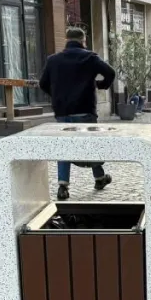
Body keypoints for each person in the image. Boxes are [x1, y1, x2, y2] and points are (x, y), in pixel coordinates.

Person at [39, 27, 116, 201]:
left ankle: (63, 186)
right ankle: (99, 178)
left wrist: (57, 96)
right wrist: (101, 85)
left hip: (62, 112)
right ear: (83, 41)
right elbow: (110, 73)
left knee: (64, 146)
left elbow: (43, 83)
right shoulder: (90, 58)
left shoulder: (53, 60)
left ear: (66, 40)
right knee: (91, 144)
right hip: (85, 109)